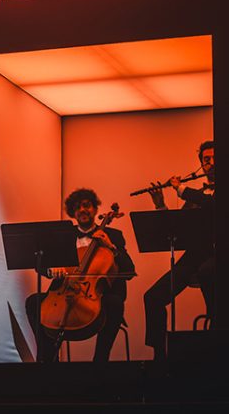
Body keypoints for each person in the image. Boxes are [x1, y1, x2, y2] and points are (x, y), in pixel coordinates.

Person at [25, 188, 135, 362]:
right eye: (77, 207)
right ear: (73, 212)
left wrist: (110, 246)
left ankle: (100, 361)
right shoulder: (64, 236)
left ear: (95, 209)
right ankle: (47, 359)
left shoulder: (113, 235)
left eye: (86, 205)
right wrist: (52, 270)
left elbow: (129, 270)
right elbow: (41, 264)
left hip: (97, 297)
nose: (82, 210)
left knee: (115, 303)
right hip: (64, 292)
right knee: (33, 302)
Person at [144, 140, 215, 361]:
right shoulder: (197, 194)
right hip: (195, 256)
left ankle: (217, 341)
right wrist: (160, 204)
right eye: (206, 159)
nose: (211, 163)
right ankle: (160, 356)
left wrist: (181, 189)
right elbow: (176, 228)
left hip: (218, 255)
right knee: (153, 297)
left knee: (208, 273)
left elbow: (211, 203)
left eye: (215, 158)